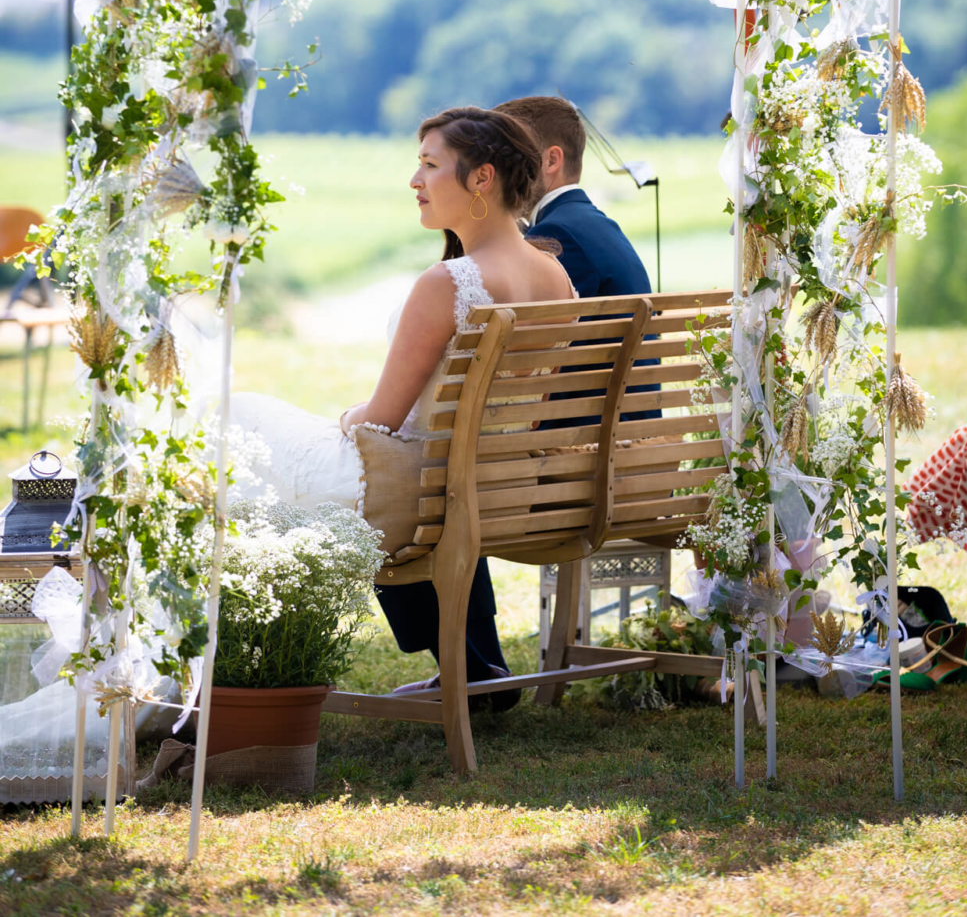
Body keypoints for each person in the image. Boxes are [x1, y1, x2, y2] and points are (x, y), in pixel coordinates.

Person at [230, 106, 576, 705]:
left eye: (429, 165)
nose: (415, 181)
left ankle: (239, 668)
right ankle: (467, 667)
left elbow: (381, 421)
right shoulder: (556, 277)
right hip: (493, 482)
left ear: (481, 180)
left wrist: (344, 419)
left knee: (234, 417)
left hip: (415, 490)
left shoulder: (447, 284)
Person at [493, 95, 652, 298]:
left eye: (511, 156)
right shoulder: (591, 222)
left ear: (551, 161)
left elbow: (538, 325)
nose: (497, 170)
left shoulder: (556, 234)